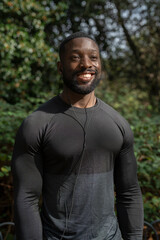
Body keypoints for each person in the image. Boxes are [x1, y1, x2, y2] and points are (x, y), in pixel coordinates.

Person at [11, 32, 144, 240]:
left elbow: (129, 192)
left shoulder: (118, 124)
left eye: (93, 57)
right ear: (60, 67)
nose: (86, 64)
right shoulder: (37, 124)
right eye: (75, 57)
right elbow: (26, 198)